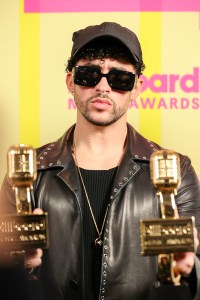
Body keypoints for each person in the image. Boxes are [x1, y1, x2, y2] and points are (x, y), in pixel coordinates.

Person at [0, 22, 200, 300]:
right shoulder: (28, 172)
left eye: (120, 78)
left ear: (137, 87)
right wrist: (22, 264)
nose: (103, 86)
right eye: (89, 74)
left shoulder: (177, 171)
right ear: (70, 81)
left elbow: (196, 265)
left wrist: (186, 270)